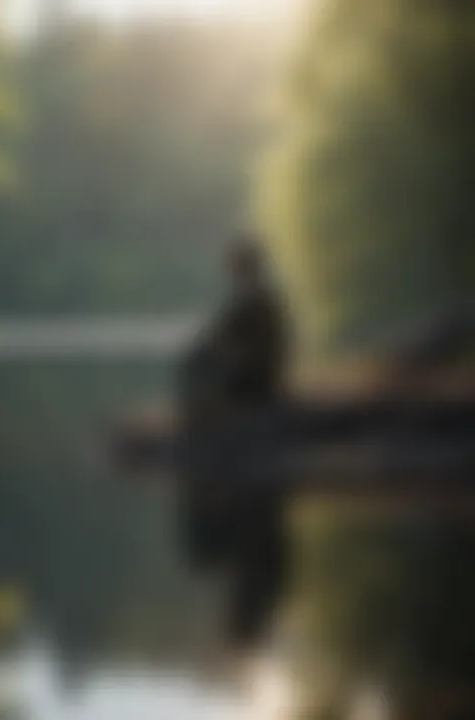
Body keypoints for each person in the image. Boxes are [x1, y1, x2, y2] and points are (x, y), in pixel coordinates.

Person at [176, 233, 290, 651]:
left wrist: (220, 351)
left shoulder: (257, 301)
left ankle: (204, 434)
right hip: (253, 381)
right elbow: (228, 337)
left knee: (197, 362)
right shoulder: (253, 299)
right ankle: (205, 444)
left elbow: (252, 351)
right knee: (198, 358)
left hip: (257, 387)